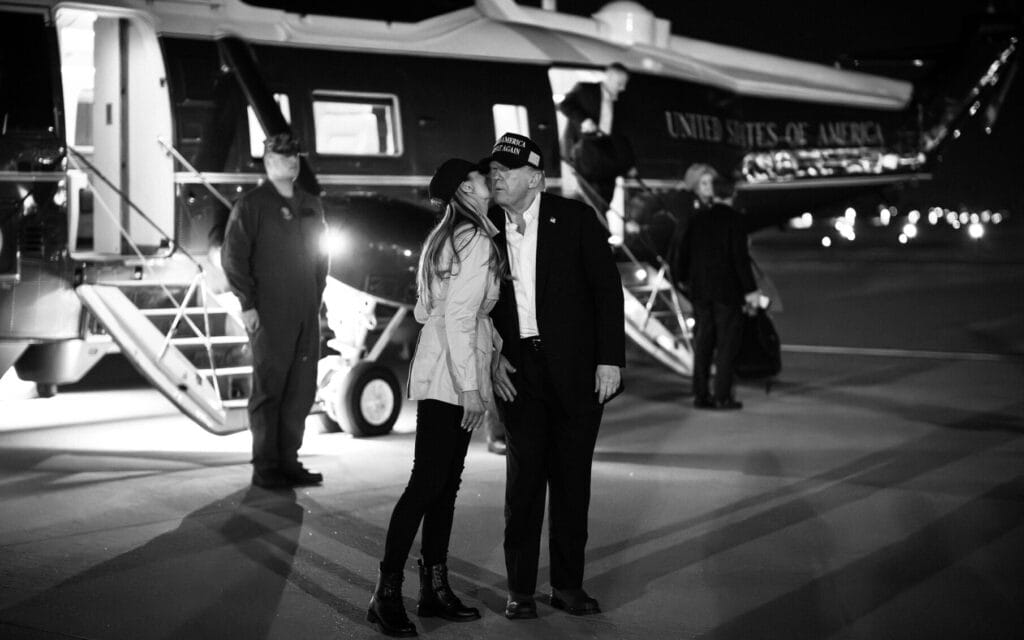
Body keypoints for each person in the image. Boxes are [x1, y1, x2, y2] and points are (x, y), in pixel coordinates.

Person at [485, 132, 625, 619]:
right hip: (517, 371)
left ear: (536, 179)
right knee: (523, 486)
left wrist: (610, 359)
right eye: (494, 170)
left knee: (571, 483)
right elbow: (473, 305)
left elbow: (607, 291)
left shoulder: (576, 219)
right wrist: (490, 357)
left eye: (507, 170)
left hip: (577, 371)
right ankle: (520, 590)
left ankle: (567, 586)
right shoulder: (484, 228)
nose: (496, 177)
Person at [367, 158, 507, 637]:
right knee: (430, 484)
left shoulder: (443, 238)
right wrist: (471, 386)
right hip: (454, 375)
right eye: (479, 178)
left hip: (438, 368)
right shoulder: (477, 241)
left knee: (440, 483)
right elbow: (461, 317)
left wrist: (490, 349)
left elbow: (427, 310)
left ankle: (433, 587)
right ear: (464, 191)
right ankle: (387, 593)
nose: (488, 181)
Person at [220, 133, 328, 489]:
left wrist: (317, 297)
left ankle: (288, 461)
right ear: (268, 162)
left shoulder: (311, 203)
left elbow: (321, 257)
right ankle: (266, 466)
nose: (292, 161)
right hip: (269, 311)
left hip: (305, 310)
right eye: (284, 156)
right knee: (270, 388)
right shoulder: (252, 205)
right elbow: (234, 257)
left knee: (301, 388)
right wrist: (247, 304)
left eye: (294, 156)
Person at [674, 174, 762, 410]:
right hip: (726, 291)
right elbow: (740, 259)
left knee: (703, 342)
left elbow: (683, 251)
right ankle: (722, 395)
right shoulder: (736, 221)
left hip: (700, 290)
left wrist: (682, 278)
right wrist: (751, 290)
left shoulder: (698, 218)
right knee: (726, 344)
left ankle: (700, 394)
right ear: (733, 193)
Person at [559, 62, 636, 208]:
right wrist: (583, 120)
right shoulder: (585, 89)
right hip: (586, 154)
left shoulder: (621, 102)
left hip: (608, 157)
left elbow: (622, 136)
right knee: (591, 201)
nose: (623, 88)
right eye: (619, 84)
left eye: (624, 84)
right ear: (609, 77)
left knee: (604, 202)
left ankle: (600, 217)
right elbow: (565, 105)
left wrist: (629, 163)